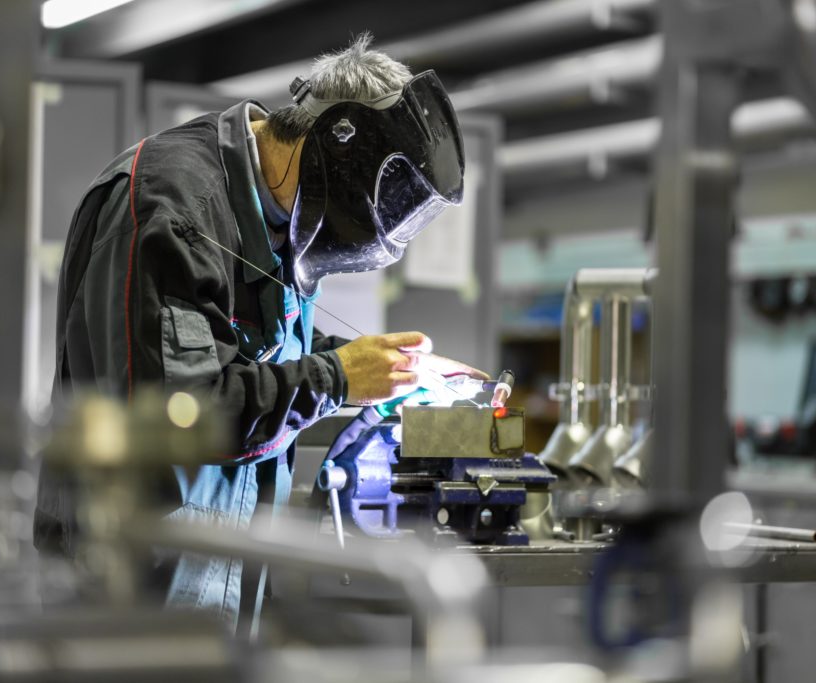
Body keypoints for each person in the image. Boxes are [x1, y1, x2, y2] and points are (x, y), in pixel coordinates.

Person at [33, 33, 486, 630]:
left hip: (216, 573)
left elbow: (248, 347)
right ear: (339, 151)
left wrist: (378, 365)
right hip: (131, 586)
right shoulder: (173, 206)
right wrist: (338, 376)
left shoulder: (277, 213)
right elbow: (182, 414)